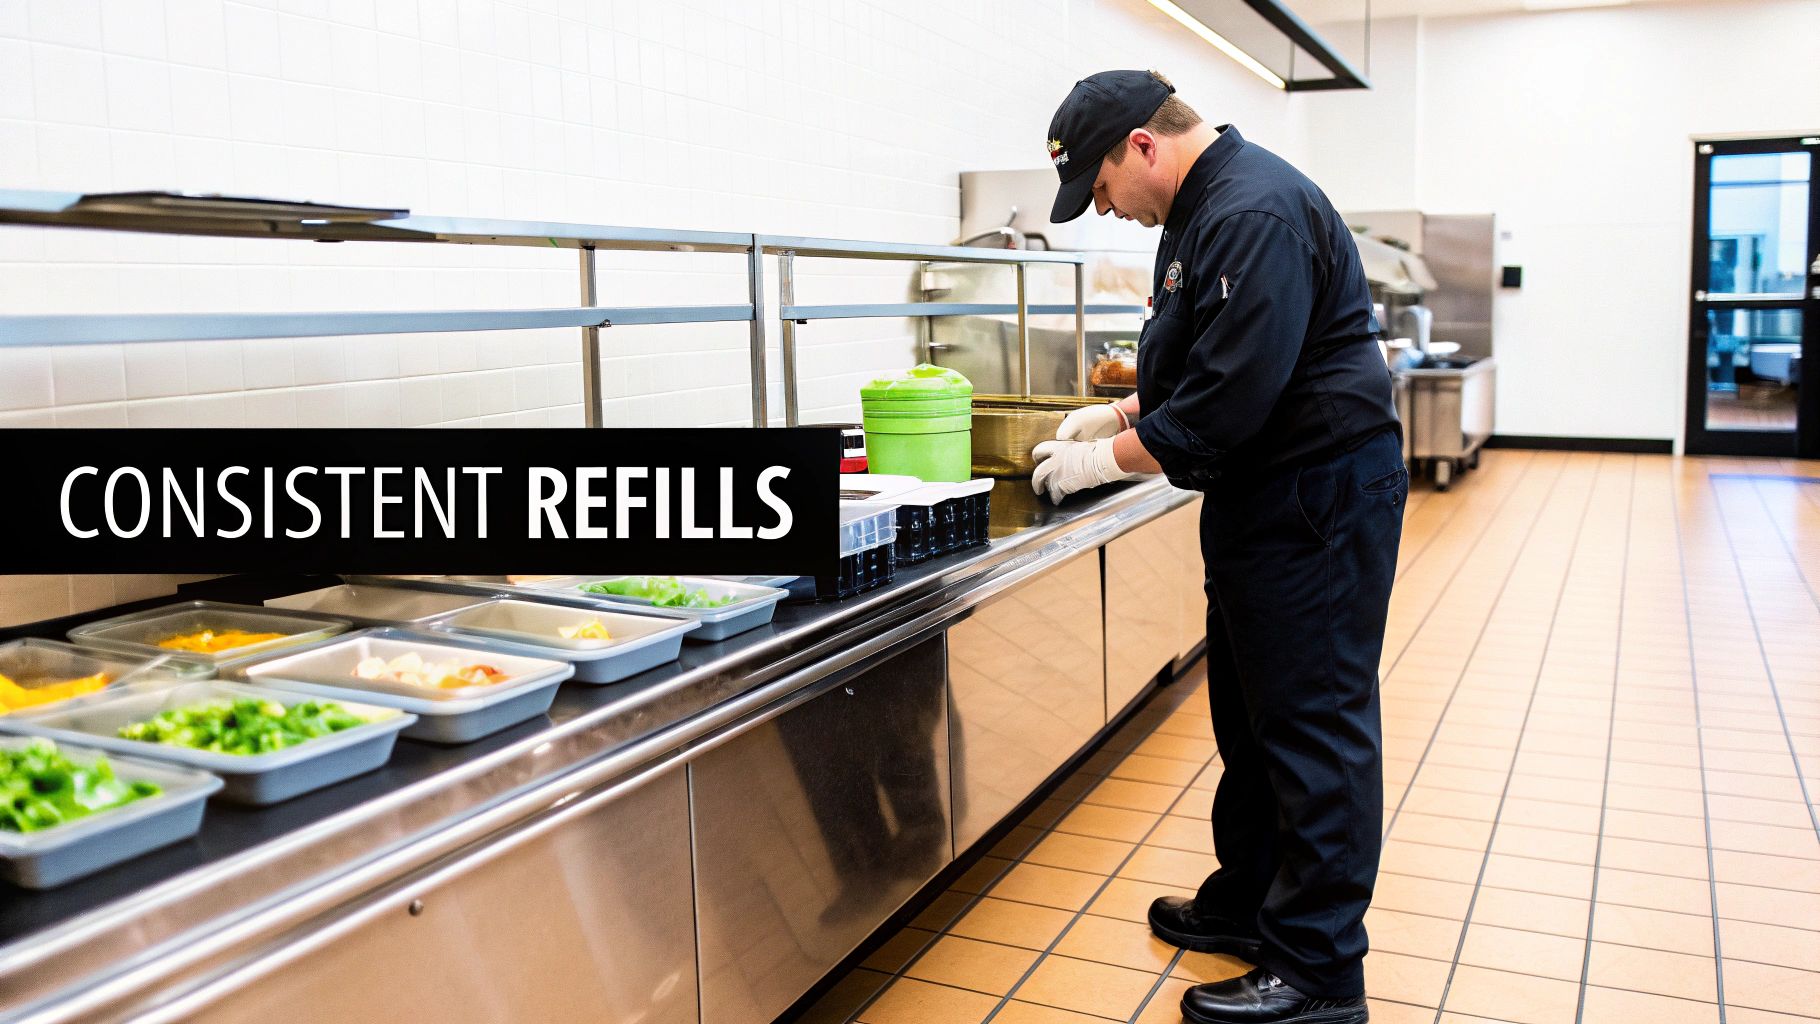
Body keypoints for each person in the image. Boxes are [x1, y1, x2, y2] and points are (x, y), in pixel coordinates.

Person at [1031, 70, 1407, 1024]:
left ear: (1141, 146)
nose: (1104, 208)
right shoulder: (1200, 210)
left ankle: (1319, 972)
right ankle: (1251, 905)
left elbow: (1230, 400)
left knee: (1313, 726)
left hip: (1315, 497)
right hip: (1264, 498)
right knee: (1251, 716)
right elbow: (1206, 359)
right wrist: (1123, 411)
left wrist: (1103, 461)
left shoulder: (1252, 212)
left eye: (1101, 187)